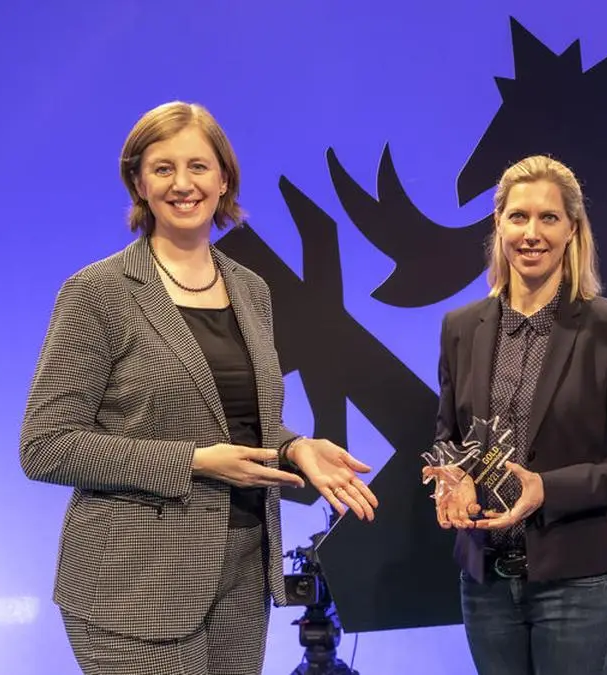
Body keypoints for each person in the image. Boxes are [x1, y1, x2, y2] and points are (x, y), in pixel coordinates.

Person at [19, 101, 379, 675]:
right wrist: (194, 462)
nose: (182, 184)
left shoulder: (250, 289)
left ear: (224, 178)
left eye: (198, 167)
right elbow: (46, 445)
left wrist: (293, 448)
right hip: (133, 583)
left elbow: (235, 423)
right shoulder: (98, 292)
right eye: (163, 169)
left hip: (241, 571)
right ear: (138, 182)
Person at [426, 155, 607, 675]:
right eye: (518, 217)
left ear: (572, 229)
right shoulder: (460, 327)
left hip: (580, 586)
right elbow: (448, 433)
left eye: (548, 218)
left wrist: (547, 489)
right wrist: (453, 479)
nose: (531, 233)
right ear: (498, 224)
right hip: (485, 583)